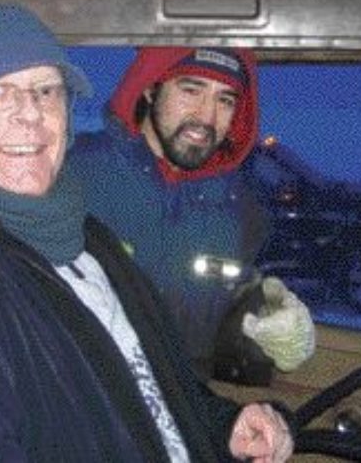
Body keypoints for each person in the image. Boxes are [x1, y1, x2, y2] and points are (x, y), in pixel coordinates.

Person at [0, 4, 294, 462]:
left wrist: (222, 426)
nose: (30, 114)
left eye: (46, 91)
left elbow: (145, 381)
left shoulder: (84, 235)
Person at [68, 47, 315, 383]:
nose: (207, 117)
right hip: (78, 391)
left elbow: (220, 341)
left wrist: (270, 331)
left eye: (225, 100)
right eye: (191, 90)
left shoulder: (242, 210)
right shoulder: (72, 172)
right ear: (151, 89)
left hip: (181, 407)